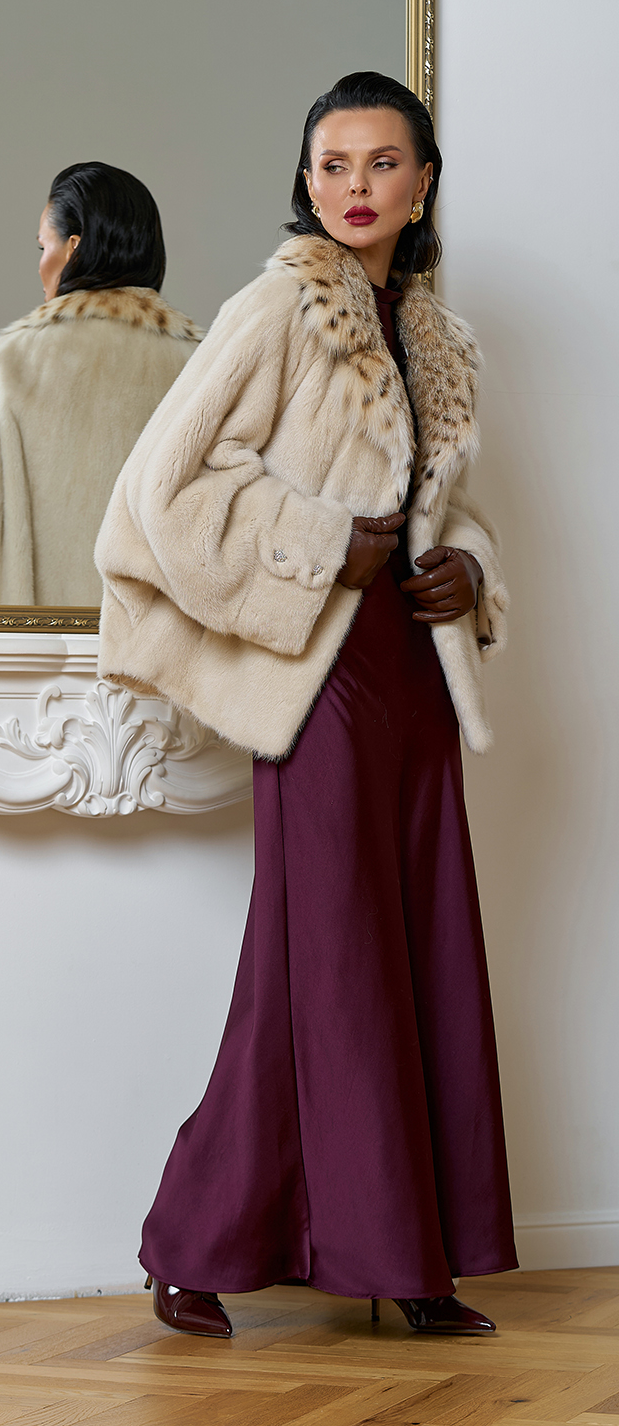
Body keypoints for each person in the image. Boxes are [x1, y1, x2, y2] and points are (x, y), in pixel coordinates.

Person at [96, 72, 516, 1337]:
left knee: (420, 949)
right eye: (331, 164)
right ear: (305, 179)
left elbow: (447, 511)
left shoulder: (435, 336)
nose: (353, 186)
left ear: (420, 185)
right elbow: (161, 486)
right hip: (320, 676)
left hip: (414, 677)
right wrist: (321, 545)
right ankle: (198, 1241)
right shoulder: (276, 306)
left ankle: (407, 1256)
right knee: (322, 963)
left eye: (380, 163)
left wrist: (468, 571)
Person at [0, 162, 201, 607]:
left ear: (73, 247)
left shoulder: (8, 367)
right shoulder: (202, 368)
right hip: (161, 647)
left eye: (43, 246)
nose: (40, 264)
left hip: (33, 649)